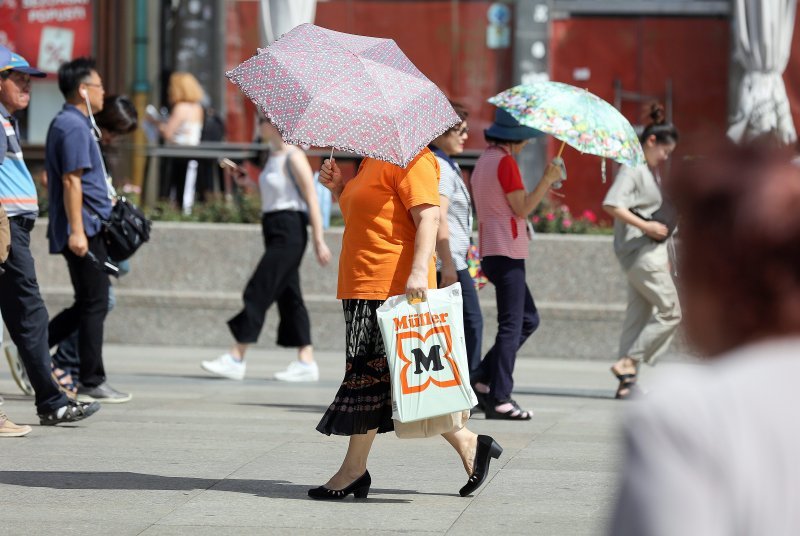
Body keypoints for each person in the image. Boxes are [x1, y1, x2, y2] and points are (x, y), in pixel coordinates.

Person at [610, 144, 800, 535]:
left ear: (714, 275)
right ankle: (628, 364)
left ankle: (628, 362)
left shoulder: (685, 414)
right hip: (637, 251)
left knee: (658, 312)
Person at [310, 147, 501, 500]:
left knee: (371, 376)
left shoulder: (414, 158)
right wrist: (339, 190)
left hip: (392, 286)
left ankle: (354, 471)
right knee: (387, 380)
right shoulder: (370, 161)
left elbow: (429, 217)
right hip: (362, 283)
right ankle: (470, 443)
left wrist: (418, 273)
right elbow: (369, 221)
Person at [0, 48, 100, 427]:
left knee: (26, 315)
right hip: (6, 227)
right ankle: (52, 399)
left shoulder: (8, 120)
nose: (27, 84)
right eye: (17, 77)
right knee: (30, 314)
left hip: (13, 227)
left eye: (29, 78)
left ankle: (51, 398)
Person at [201, 117, 331, 382]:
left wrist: (319, 239)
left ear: (274, 124)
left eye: (262, 121)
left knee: (259, 288)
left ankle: (237, 355)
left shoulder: (294, 156)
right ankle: (306, 360)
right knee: (289, 294)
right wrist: (245, 182)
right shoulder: (273, 156)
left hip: (290, 230)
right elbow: (270, 196)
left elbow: (311, 200)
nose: (258, 125)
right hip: (273, 227)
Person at [45, 57, 131, 403]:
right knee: (95, 302)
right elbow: (71, 180)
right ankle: (91, 379)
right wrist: (78, 232)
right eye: (98, 86)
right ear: (83, 90)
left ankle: (34, 350)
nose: (103, 93)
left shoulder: (77, 123)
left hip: (89, 227)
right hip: (85, 230)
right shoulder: (73, 125)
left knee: (89, 302)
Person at [469, 109, 561, 420]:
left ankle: (482, 377)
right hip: (506, 251)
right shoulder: (505, 161)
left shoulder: (484, 160)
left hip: (492, 250)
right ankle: (500, 398)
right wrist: (547, 180)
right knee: (512, 325)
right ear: (515, 138)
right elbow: (522, 208)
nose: (526, 144)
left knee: (528, 319)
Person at [602, 104, 681, 399]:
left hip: (645, 253)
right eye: (665, 151)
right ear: (651, 141)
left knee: (638, 315)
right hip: (641, 251)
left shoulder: (645, 169)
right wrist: (647, 228)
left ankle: (627, 383)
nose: (665, 157)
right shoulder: (633, 168)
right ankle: (628, 362)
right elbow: (611, 204)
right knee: (671, 312)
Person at [430, 102, 483, 376]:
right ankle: (468, 388)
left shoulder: (447, 163)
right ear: (440, 133)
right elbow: (438, 216)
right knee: (470, 325)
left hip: (455, 258)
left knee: (462, 325)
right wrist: (448, 263)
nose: (465, 136)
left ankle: (464, 387)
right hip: (448, 262)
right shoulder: (440, 165)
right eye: (459, 130)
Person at [157, 72, 204, 213]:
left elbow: (168, 133)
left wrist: (157, 123)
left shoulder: (180, 108)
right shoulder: (198, 107)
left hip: (179, 152)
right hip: (193, 152)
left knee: (176, 190)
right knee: (187, 189)